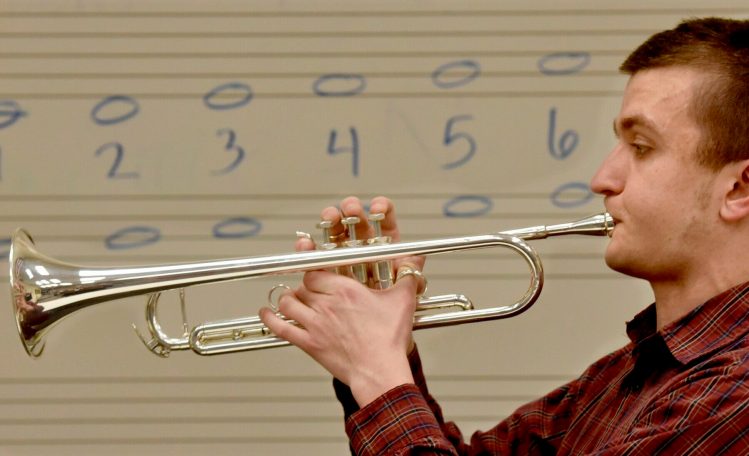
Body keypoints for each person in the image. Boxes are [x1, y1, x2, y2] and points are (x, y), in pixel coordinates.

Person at [259, 17, 749, 455]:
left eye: (641, 147)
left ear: (738, 189)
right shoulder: (626, 376)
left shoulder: (732, 397)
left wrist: (376, 373)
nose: (603, 178)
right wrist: (382, 350)